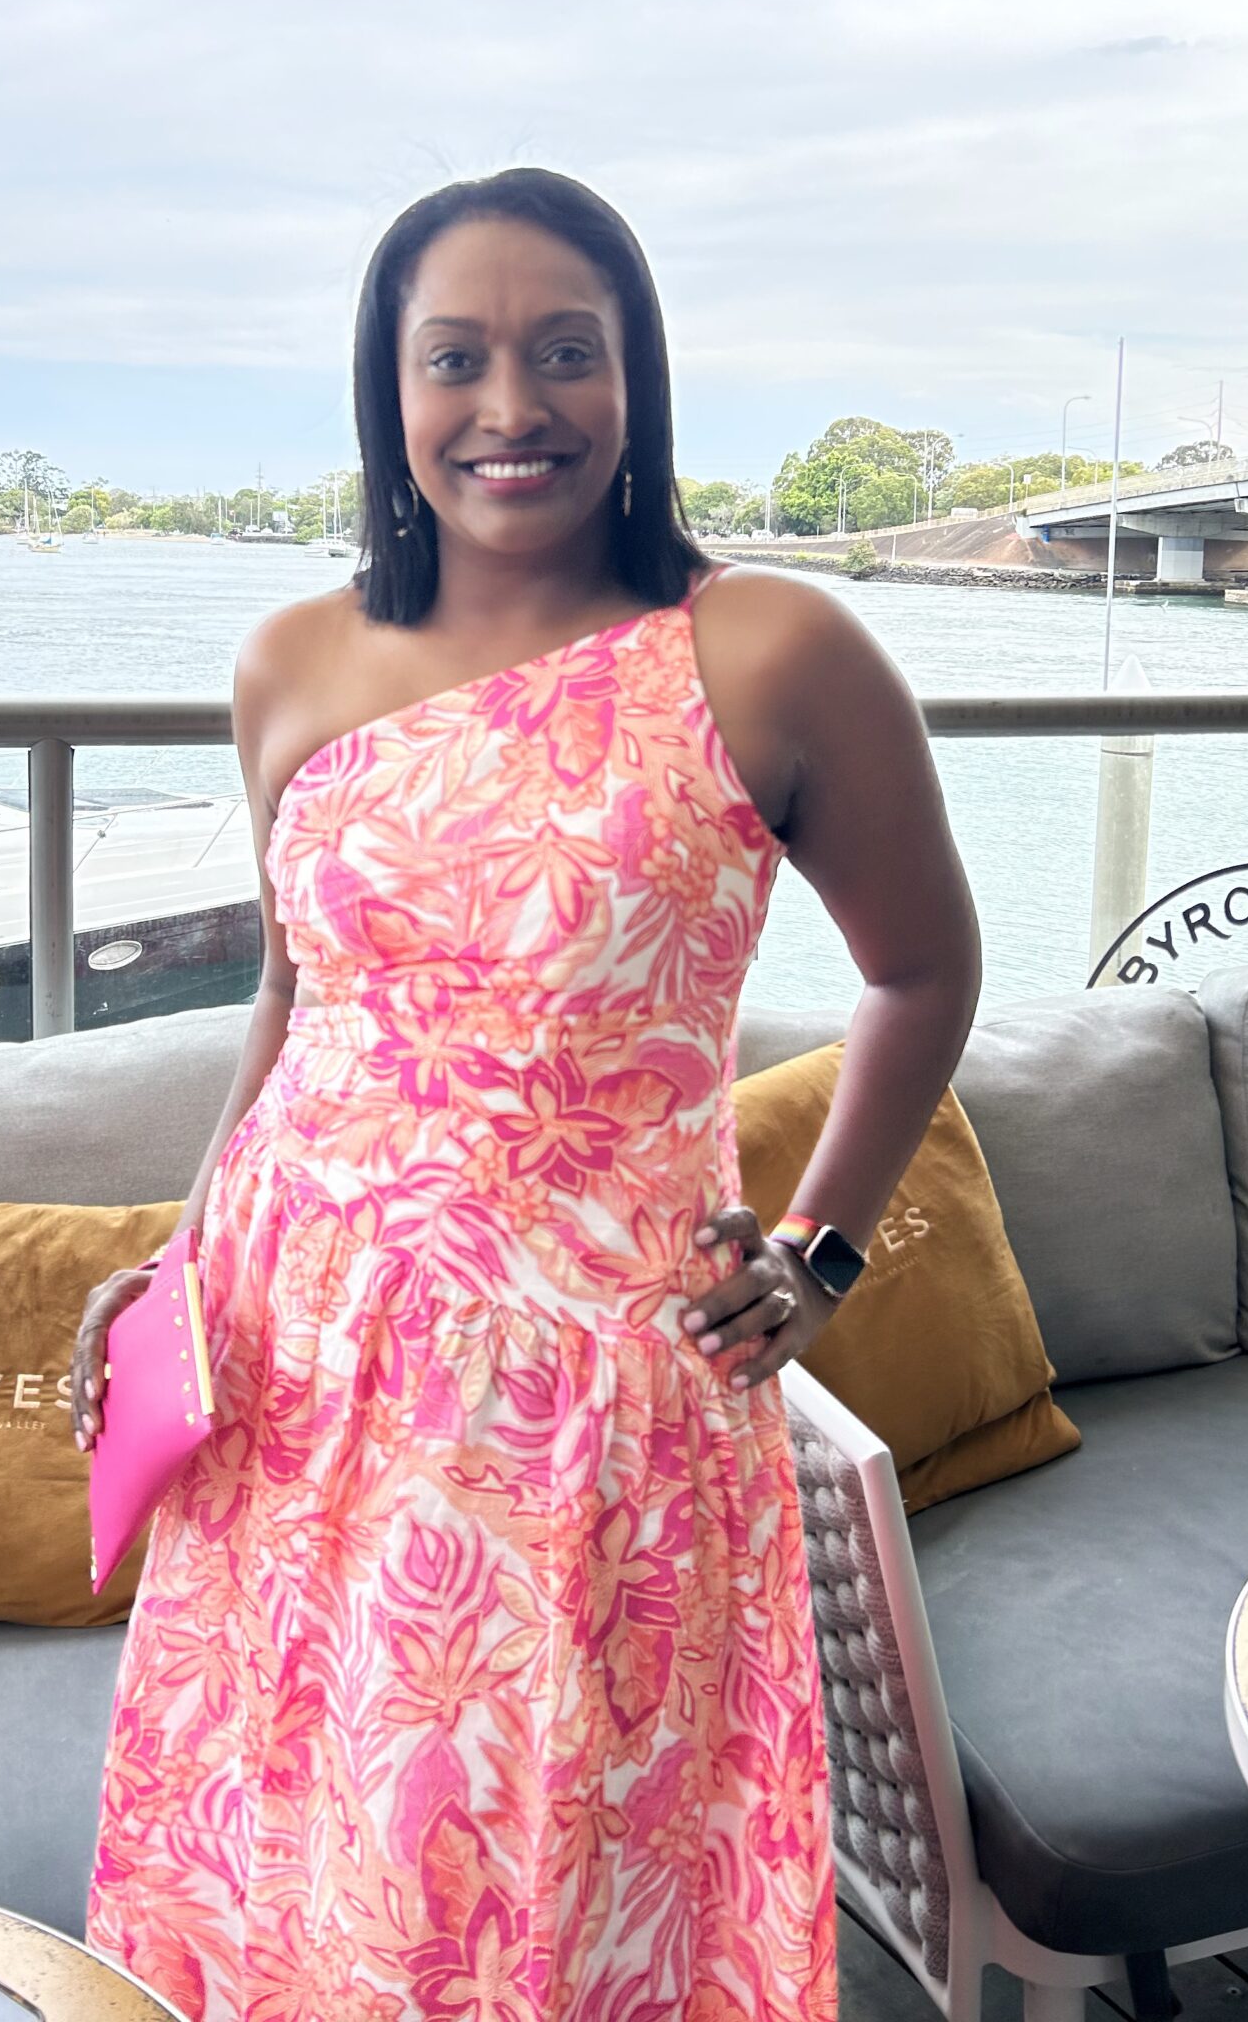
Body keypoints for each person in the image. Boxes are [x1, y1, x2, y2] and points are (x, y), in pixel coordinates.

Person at [74, 168, 981, 2020]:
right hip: (291, 1372)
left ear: (636, 378)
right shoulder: (289, 663)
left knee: (539, 1896)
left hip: (589, 1412)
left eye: (568, 352)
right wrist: (181, 1259)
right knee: (288, 1857)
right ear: (389, 392)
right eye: (456, 359)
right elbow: (295, 997)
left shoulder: (768, 652)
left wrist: (822, 1256)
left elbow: (923, 971)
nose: (513, 406)